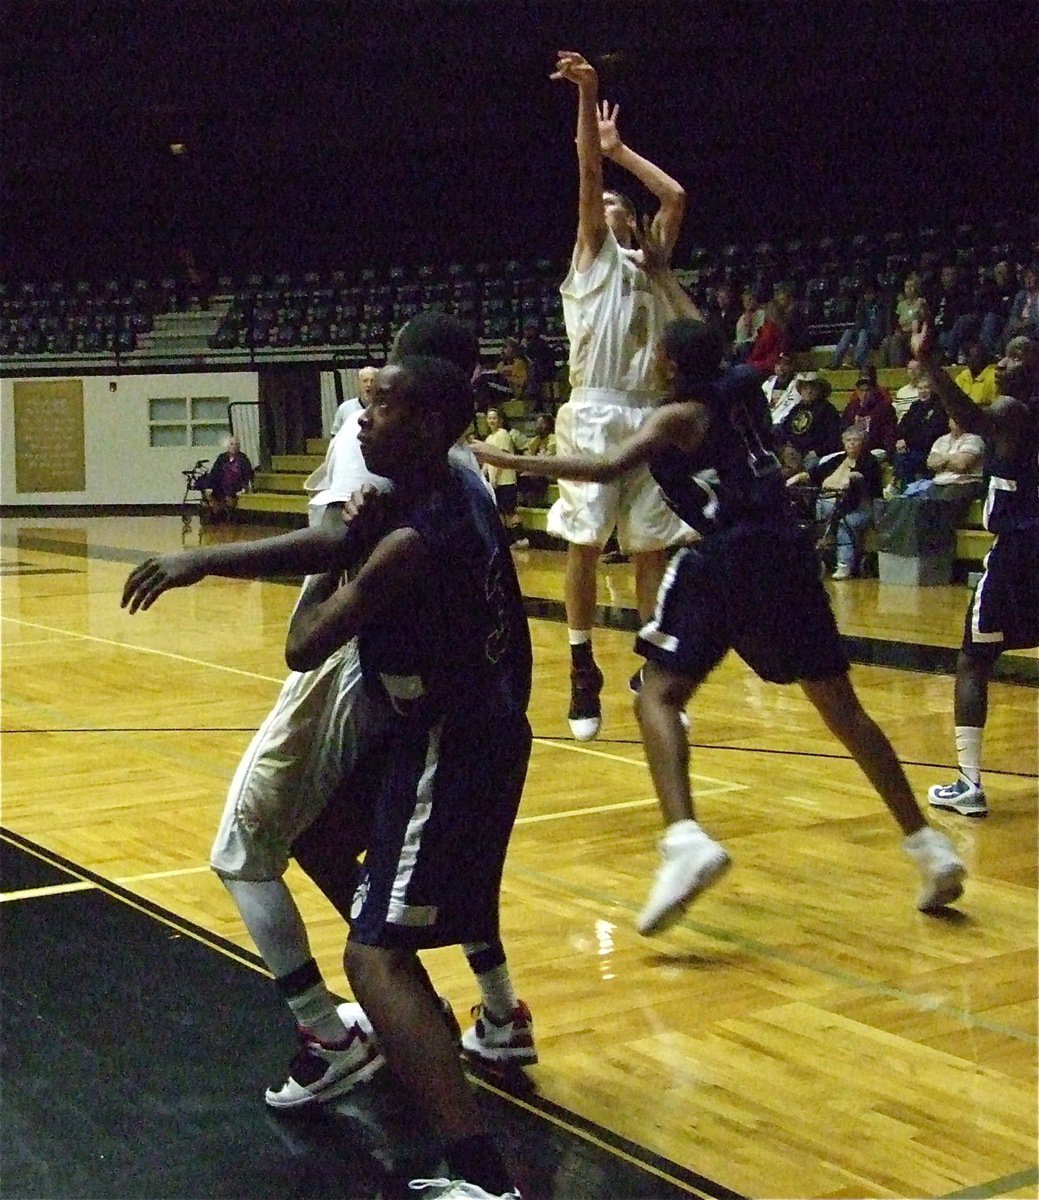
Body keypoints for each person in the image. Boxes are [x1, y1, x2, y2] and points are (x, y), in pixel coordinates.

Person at [127, 354, 530, 1200]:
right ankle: (462, 1006)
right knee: (314, 835)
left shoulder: (413, 542)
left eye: (376, 407)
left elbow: (302, 642)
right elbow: (338, 536)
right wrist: (204, 562)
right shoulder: (441, 489)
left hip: (448, 749)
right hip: (438, 730)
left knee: (371, 958)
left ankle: (481, 1177)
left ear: (422, 425)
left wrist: (333, 567)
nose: (356, 416)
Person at [472, 305, 965, 935]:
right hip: (788, 550)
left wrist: (508, 461)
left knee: (657, 693)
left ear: (670, 364)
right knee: (843, 710)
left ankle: (684, 839)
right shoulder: (743, 389)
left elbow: (601, 469)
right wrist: (660, 268)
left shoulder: (676, 418)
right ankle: (928, 846)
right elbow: (692, 325)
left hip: (730, 554)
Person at [547, 50, 692, 741]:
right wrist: (588, 99)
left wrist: (621, 149)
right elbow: (585, 173)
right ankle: (581, 666)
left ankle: (651, 668)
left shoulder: (650, 260)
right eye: (598, 205)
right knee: (582, 542)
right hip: (595, 410)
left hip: (648, 412)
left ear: (629, 221)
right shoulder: (591, 257)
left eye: (613, 206)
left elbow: (675, 197)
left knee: (648, 552)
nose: (603, 207)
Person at [914, 325, 1039, 820]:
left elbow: (969, 416)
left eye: (1016, 356)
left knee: (973, 660)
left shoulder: (1011, 409)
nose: (1003, 365)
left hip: (1018, 553)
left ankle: (969, 784)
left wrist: (929, 364)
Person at [788, 425, 883, 579]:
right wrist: (798, 477)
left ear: (862, 443)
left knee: (845, 523)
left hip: (860, 508)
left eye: (855, 440)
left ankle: (844, 565)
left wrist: (855, 477)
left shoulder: (870, 461)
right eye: (848, 440)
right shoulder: (838, 459)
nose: (851, 443)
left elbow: (871, 484)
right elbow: (815, 473)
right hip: (831, 504)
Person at [777, 372, 842, 470]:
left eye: (812, 388)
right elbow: (785, 431)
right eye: (805, 388)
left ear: (820, 390)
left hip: (815, 454)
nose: (809, 391)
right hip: (794, 452)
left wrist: (818, 451)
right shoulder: (796, 409)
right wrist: (786, 447)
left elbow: (833, 438)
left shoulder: (828, 410)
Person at [482, 407, 526, 541]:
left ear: (500, 420)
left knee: (510, 511)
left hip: (506, 480)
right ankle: (507, 540)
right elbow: (487, 462)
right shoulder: (489, 438)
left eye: (494, 418)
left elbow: (500, 459)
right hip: (495, 482)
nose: (491, 421)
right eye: (489, 418)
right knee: (500, 512)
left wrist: (494, 478)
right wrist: (482, 477)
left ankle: (521, 538)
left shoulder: (502, 434)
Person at [841, 365, 898, 458]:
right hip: (851, 448)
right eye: (861, 390)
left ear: (874, 390)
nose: (864, 394)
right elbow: (843, 429)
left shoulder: (885, 408)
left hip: (875, 449)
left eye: (867, 390)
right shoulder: (851, 408)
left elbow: (889, 434)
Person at [830, 279, 885, 371]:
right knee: (848, 332)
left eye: (870, 293)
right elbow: (858, 324)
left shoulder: (882, 306)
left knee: (863, 332)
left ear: (876, 294)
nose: (867, 296)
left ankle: (857, 362)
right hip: (863, 336)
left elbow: (883, 325)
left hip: (877, 335)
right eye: (866, 294)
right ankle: (835, 362)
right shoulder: (861, 306)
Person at [201, 435, 253, 521]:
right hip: (221, 484)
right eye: (232, 444)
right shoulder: (222, 457)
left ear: (239, 447)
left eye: (236, 444)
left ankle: (227, 513)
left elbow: (247, 474)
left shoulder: (243, 459)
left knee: (230, 495)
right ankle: (217, 513)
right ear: (228, 446)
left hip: (236, 485)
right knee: (210, 493)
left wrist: (245, 487)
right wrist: (209, 486)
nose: (234, 447)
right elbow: (215, 472)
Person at [330, 364, 379, 435]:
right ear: (359, 384)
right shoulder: (344, 408)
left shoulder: (385, 409)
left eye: (372, 381)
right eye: (365, 381)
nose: (369, 384)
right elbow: (335, 437)